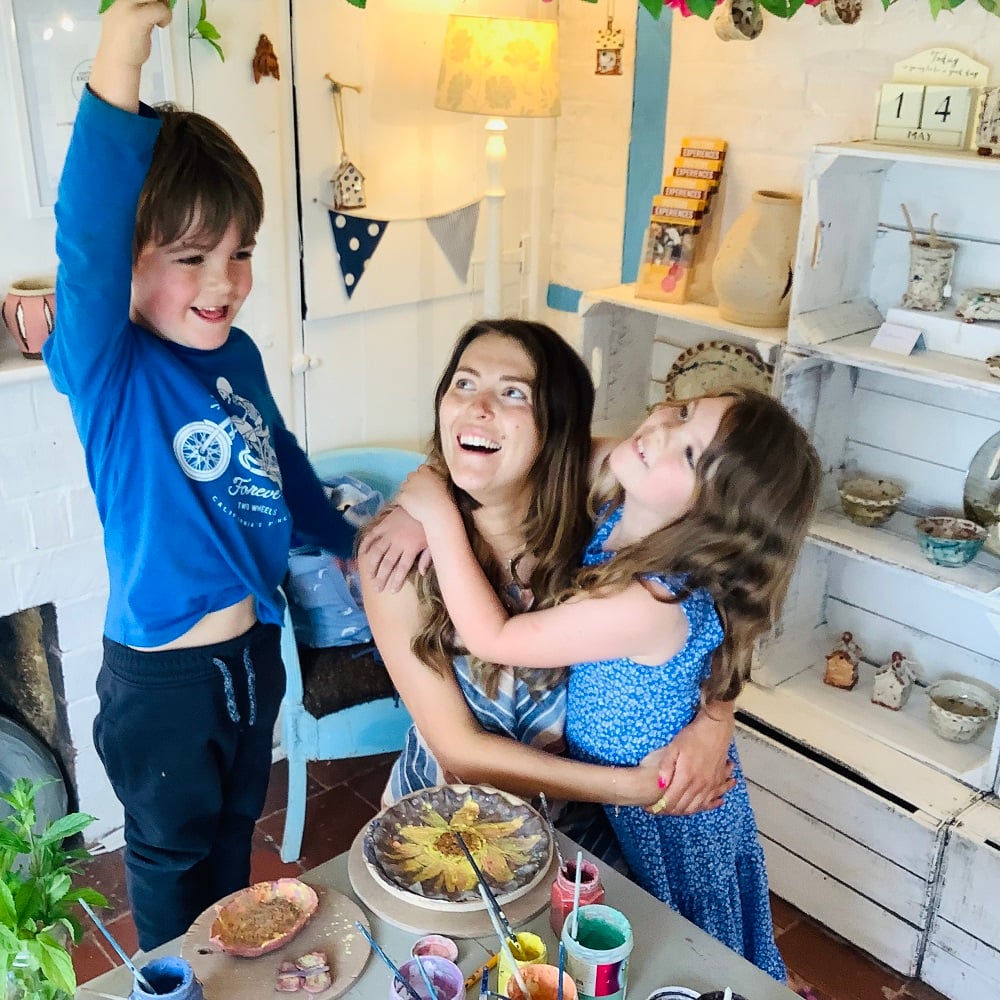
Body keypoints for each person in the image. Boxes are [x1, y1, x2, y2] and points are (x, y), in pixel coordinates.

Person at [43, 0, 352, 950]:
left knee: (231, 851)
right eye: (191, 257)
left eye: (241, 252)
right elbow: (88, 240)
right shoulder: (111, 368)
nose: (225, 280)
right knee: (172, 872)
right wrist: (121, 50)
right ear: (129, 271)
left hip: (253, 655)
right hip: (166, 685)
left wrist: (345, 536)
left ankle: (229, 972)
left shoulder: (239, 354)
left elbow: (279, 464)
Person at [394, 388, 821, 981]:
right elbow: (535, 449)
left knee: (693, 953)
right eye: (679, 412)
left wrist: (439, 518)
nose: (661, 432)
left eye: (692, 453)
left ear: (716, 517)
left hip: (669, 814)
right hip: (648, 797)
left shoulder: (646, 600)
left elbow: (494, 639)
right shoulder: (632, 508)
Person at [358, 320, 738, 853]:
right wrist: (630, 787)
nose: (477, 407)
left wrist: (716, 717)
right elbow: (461, 752)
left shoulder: (608, 508)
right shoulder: (401, 559)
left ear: (557, 429)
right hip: (446, 828)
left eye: (512, 392)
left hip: (583, 838)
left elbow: (734, 562)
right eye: (462, 385)